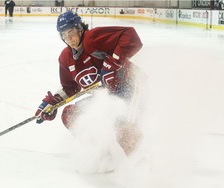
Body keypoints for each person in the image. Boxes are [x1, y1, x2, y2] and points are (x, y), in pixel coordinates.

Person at [35, 11, 143, 155]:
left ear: (80, 28)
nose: (69, 38)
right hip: (106, 98)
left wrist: (113, 63)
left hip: (130, 86)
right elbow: (70, 87)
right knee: (70, 115)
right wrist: (54, 101)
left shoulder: (91, 39)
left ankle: (144, 166)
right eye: (64, 35)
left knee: (124, 130)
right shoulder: (65, 58)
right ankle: (101, 153)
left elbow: (130, 36)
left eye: (71, 32)